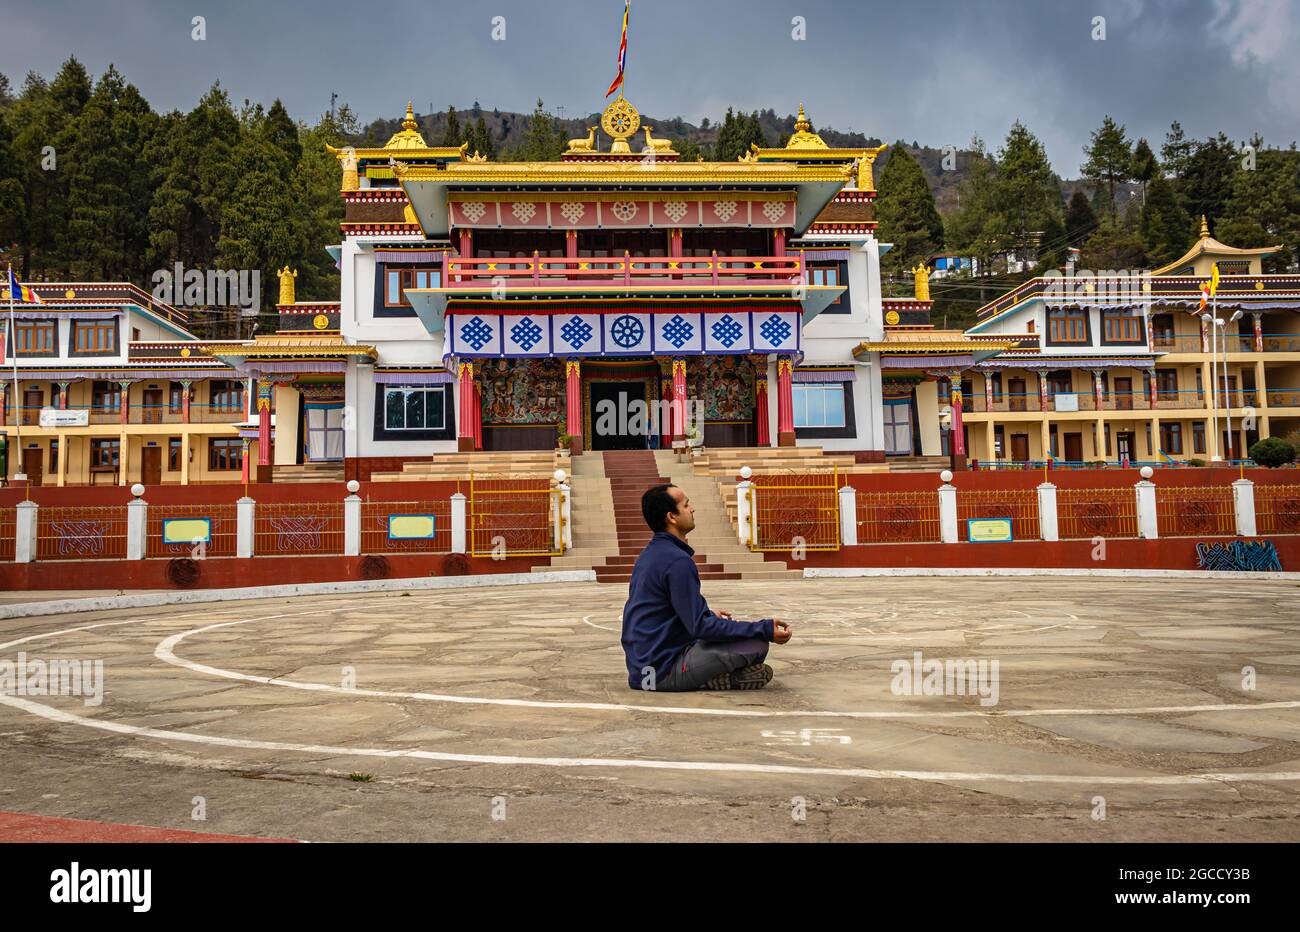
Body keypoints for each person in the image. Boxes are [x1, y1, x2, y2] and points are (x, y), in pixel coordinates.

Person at [621, 484, 792, 691]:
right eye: (686, 505)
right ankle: (716, 679)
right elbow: (701, 627)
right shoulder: (677, 561)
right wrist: (763, 628)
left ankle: (717, 676)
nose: (692, 509)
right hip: (663, 672)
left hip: (642, 670)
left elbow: (661, 612)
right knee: (756, 644)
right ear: (671, 517)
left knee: (730, 632)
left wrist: (708, 615)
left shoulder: (649, 555)